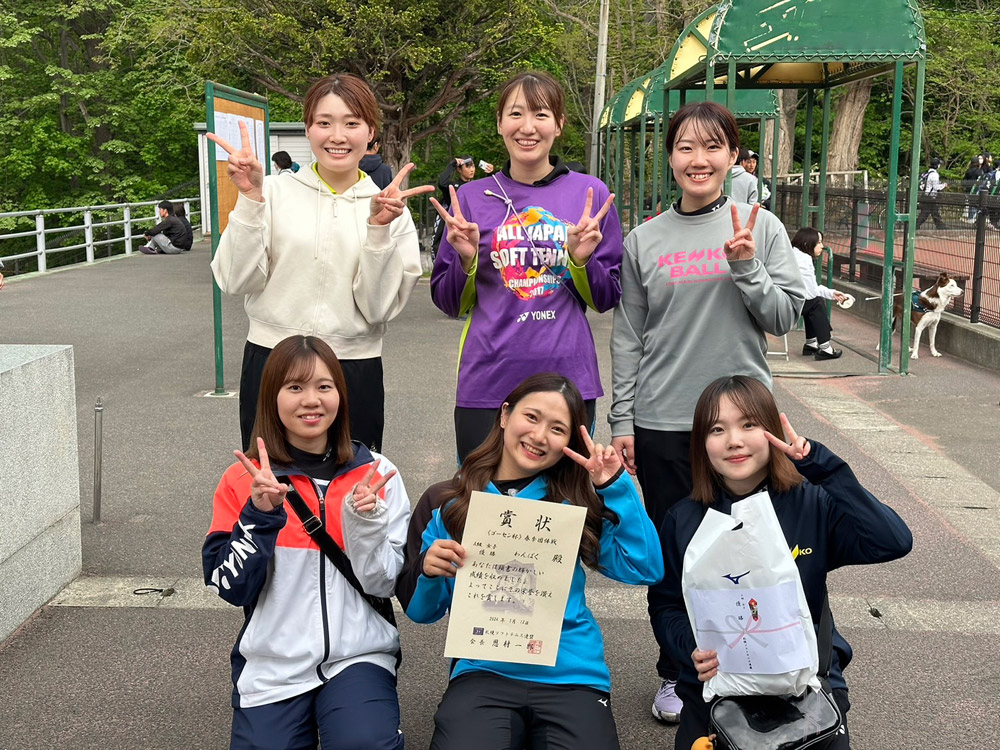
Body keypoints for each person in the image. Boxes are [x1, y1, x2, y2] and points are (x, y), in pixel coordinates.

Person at [608, 99, 805, 724]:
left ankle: (763, 661)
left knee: (754, 549)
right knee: (677, 556)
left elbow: (783, 318)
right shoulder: (644, 240)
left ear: (733, 156)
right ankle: (678, 671)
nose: (699, 159)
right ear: (670, 157)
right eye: (686, 147)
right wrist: (621, 420)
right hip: (664, 421)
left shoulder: (762, 227)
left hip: (743, 421)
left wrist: (746, 266)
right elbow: (628, 336)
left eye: (713, 146)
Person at [396, 373, 663, 750]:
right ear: (505, 415)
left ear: (569, 442)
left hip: (571, 674)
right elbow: (422, 612)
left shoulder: (574, 503)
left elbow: (645, 568)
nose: (539, 436)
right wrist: (428, 571)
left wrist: (615, 486)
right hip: (484, 668)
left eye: (557, 429)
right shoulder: (450, 502)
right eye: (532, 417)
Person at [648, 374, 913, 749]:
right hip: (716, 691)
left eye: (748, 424)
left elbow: (893, 541)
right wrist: (689, 648)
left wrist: (823, 468)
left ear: (771, 430)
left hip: (807, 690)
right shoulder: (683, 518)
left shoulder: (812, 502)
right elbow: (665, 604)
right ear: (701, 443)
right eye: (717, 429)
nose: (734, 440)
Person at [203, 334, 410, 750]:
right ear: (271, 398)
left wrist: (365, 523)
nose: (311, 400)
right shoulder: (243, 479)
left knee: (364, 743)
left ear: (341, 395)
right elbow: (230, 586)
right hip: (273, 663)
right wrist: (259, 516)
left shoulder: (377, 474)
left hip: (359, 655)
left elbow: (383, 583)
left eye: (324, 386)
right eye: (295, 387)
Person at [209, 73, 433, 452]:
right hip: (272, 360)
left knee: (352, 481)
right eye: (324, 123)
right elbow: (234, 280)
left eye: (352, 123)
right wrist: (249, 199)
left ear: (371, 131)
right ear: (308, 129)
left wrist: (378, 230)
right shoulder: (272, 191)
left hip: (353, 366)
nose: (337, 136)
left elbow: (378, 309)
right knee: (271, 478)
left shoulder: (390, 208)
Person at [432, 70, 623, 463]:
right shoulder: (471, 197)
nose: (528, 127)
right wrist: (466, 259)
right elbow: (449, 303)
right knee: (482, 496)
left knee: (563, 498)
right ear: (500, 123)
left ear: (559, 124)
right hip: (487, 381)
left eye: (541, 114)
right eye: (516, 114)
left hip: (568, 381)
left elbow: (606, 298)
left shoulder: (591, 194)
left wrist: (581, 259)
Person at [791, 227, 848, 360]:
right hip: (786, 306)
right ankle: (826, 348)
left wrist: (832, 293)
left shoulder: (793, 253)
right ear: (807, 243)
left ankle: (811, 343)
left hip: (782, 300)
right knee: (816, 302)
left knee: (811, 301)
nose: (822, 246)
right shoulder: (804, 259)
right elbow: (812, 292)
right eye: (819, 242)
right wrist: (831, 293)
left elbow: (809, 289)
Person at [430, 155, 484, 258]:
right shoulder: (453, 186)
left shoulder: (476, 186)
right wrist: (453, 164)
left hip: (470, 225)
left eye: (473, 166)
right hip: (451, 226)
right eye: (468, 166)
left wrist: (490, 173)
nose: (472, 170)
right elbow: (442, 183)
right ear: (459, 169)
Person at [916, 157, 947, 230]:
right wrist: (944, 185)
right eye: (939, 164)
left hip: (926, 195)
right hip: (931, 196)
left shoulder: (926, 173)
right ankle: (915, 225)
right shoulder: (934, 175)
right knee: (925, 213)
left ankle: (940, 225)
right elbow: (936, 187)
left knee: (933, 212)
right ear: (937, 165)